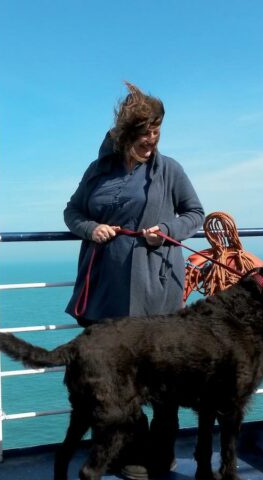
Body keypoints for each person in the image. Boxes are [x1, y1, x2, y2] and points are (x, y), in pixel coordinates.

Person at [64, 82, 205, 479]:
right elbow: (72, 211)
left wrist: (166, 227)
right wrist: (90, 228)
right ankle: (128, 449)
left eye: (156, 131)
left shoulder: (170, 170)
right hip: (103, 289)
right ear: (124, 134)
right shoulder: (97, 170)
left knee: (161, 375)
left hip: (156, 289)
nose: (151, 139)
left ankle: (160, 454)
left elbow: (195, 212)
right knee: (112, 374)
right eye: (143, 132)